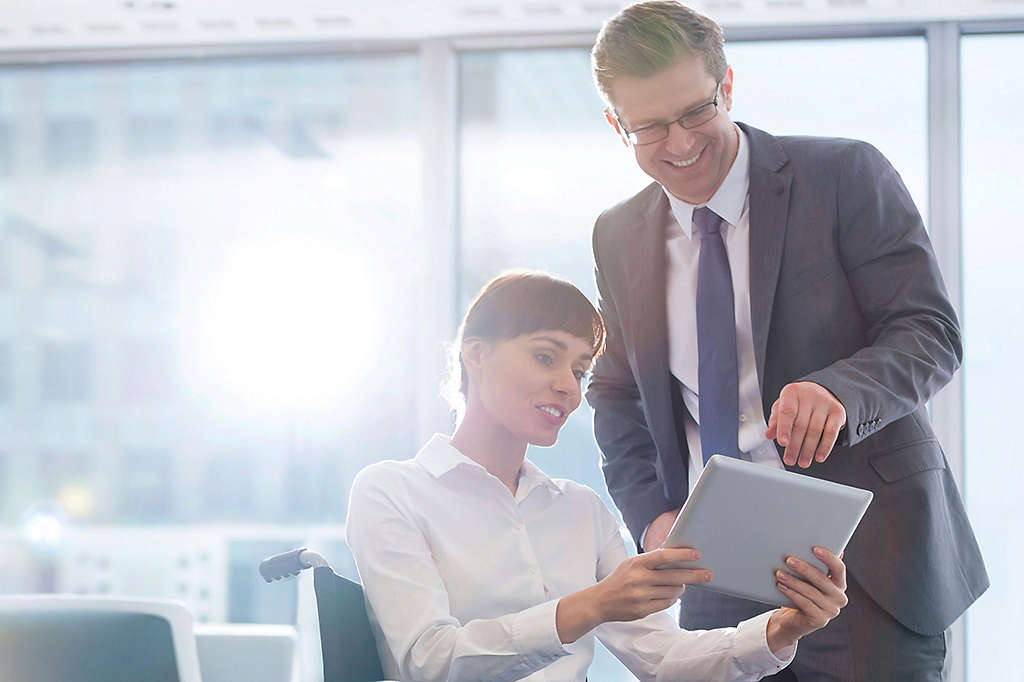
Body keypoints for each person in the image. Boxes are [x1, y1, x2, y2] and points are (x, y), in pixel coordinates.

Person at [584, 3, 989, 680]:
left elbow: (930, 332)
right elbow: (617, 393)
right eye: (649, 128)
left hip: (864, 569)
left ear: (728, 86)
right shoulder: (617, 234)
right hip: (716, 574)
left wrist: (839, 389)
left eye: (694, 113)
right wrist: (653, 516)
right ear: (615, 125)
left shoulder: (844, 176)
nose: (680, 145)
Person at [346, 271, 849, 682]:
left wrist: (782, 629)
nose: (567, 386)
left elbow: (664, 660)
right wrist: (590, 606)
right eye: (546, 357)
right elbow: (429, 662)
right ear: (475, 354)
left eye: (581, 371)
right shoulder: (391, 492)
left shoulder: (579, 509)